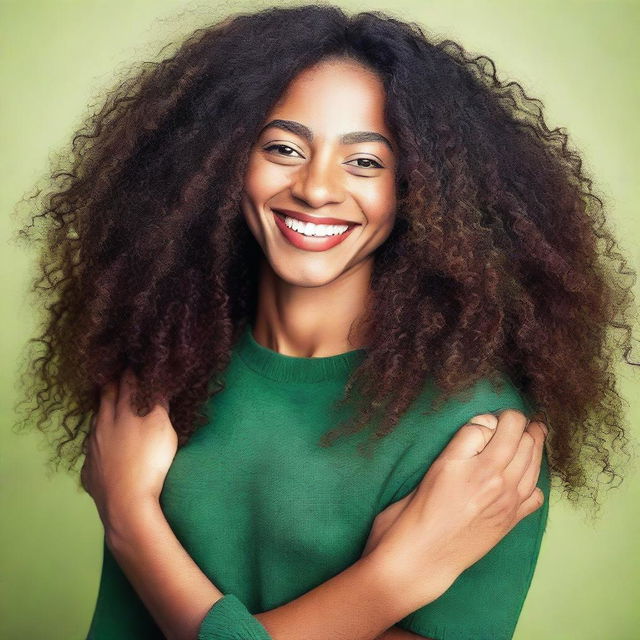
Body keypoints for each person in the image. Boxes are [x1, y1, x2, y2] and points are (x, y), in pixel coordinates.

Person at [13, 4, 635, 640]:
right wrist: (399, 575)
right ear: (224, 159)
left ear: (420, 191)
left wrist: (128, 516)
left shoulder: (476, 434)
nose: (315, 188)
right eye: (283, 148)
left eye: (365, 161)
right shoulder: (167, 365)